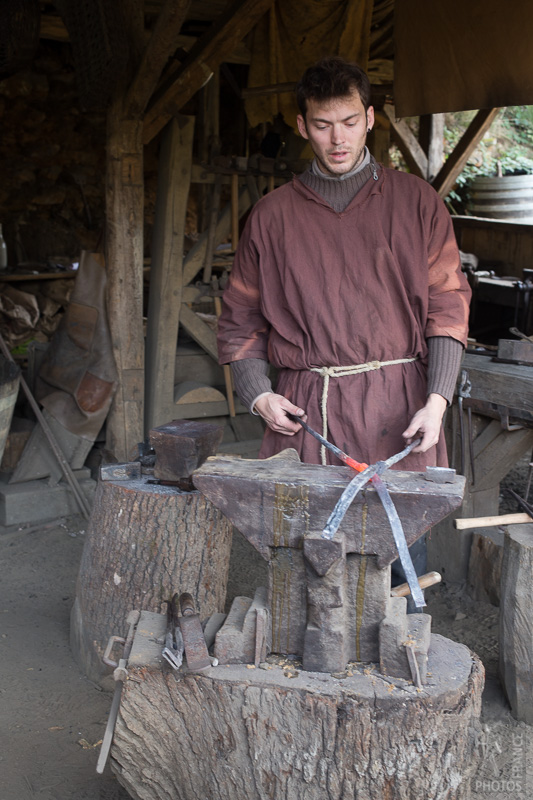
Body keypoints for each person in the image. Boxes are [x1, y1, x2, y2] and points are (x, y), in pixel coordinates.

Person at [217, 56, 471, 475]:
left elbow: (447, 303)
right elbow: (240, 317)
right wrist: (258, 394)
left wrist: (437, 400)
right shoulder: (270, 216)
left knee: (397, 537)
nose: (338, 138)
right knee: (303, 538)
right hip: (307, 410)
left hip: (402, 409)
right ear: (302, 126)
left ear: (370, 118)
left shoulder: (417, 202)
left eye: (350, 122)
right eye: (322, 125)